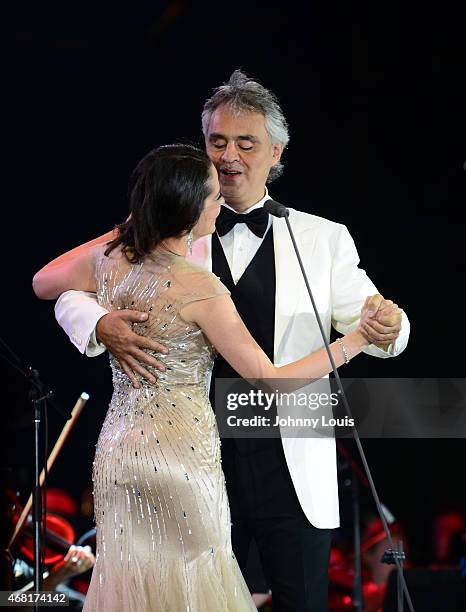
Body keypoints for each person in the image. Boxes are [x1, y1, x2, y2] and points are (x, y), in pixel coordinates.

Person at [36, 71, 410, 611]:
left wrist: (389, 327)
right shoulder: (162, 230)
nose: (228, 155)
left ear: (276, 150)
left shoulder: (322, 238)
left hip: (291, 458)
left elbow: (376, 321)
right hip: (194, 456)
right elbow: (74, 284)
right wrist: (97, 323)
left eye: (245, 142)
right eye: (217, 142)